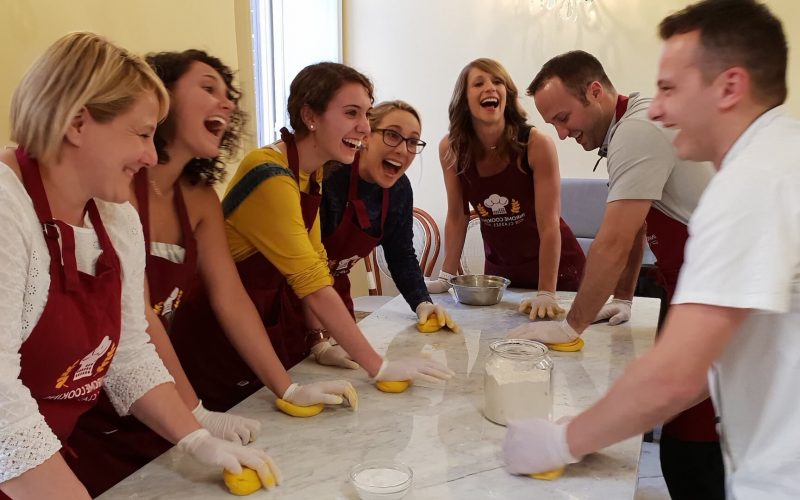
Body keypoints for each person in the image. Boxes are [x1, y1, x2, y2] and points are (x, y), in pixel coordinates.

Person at [503, 1, 800, 498]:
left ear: (729, 87)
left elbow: (676, 378)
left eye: (670, 88)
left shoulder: (750, 183)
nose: (658, 107)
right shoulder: (779, 151)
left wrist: (562, 440)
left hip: (782, 469)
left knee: (687, 454)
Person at [0, 32, 279, 500]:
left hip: (38, 461)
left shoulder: (114, 216)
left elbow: (128, 350)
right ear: (77, 123)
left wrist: (196, 437)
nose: (152, 155)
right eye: (143, 134)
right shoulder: (8, 208)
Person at [67, 50, 352, 496]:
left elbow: (231, 298)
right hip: (96, 404)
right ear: (157, 98)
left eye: (228, 95)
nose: (226, 104)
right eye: (207, 88)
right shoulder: (114, 190)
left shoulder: (198, 199)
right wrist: (194, 413)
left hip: (157, 393)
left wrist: (287, 387)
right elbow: (135, 320)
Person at [172, 62, 453, 405]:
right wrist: (378, 367)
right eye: (352, 113)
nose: (364, 127)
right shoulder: (270, 173)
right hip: (215, 336)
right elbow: (313, 283)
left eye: (366, 114)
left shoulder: (310, 174)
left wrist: (318, 340)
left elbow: (317, 262)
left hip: (266, 320)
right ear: (310, 116)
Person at [510, 50, 719, 497]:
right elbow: (641, 221)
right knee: (685, 429)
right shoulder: (633, 123)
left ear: (596, 91)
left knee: (690, 445)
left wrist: (571, 324)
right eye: (554, 126)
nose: (563, 134)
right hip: (691, 288)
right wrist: (622, 297)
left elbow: (612, 239)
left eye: (564, 118)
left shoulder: (637, 130)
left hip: (717, 293)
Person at [427, 58, 585, 320]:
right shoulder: (451, 149)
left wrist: (546, 292)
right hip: (501, 272)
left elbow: (549, 225)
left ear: (507, 95)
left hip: (556, 271)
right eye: (479, 83)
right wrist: (447, 277)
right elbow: (457, 216)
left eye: (497, 82)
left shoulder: (536, 144)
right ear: (464, 99)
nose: (490, 88)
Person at [310, 100, 458, 359]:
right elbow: (300, 268)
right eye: (392, 135)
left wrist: (422, 302)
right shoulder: (329, 177)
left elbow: (401, 255)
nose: (403, 149)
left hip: (335, 299)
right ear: (365, 135)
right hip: (289, 301)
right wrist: (317, 338)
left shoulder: (399, 189)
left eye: (413, 141)